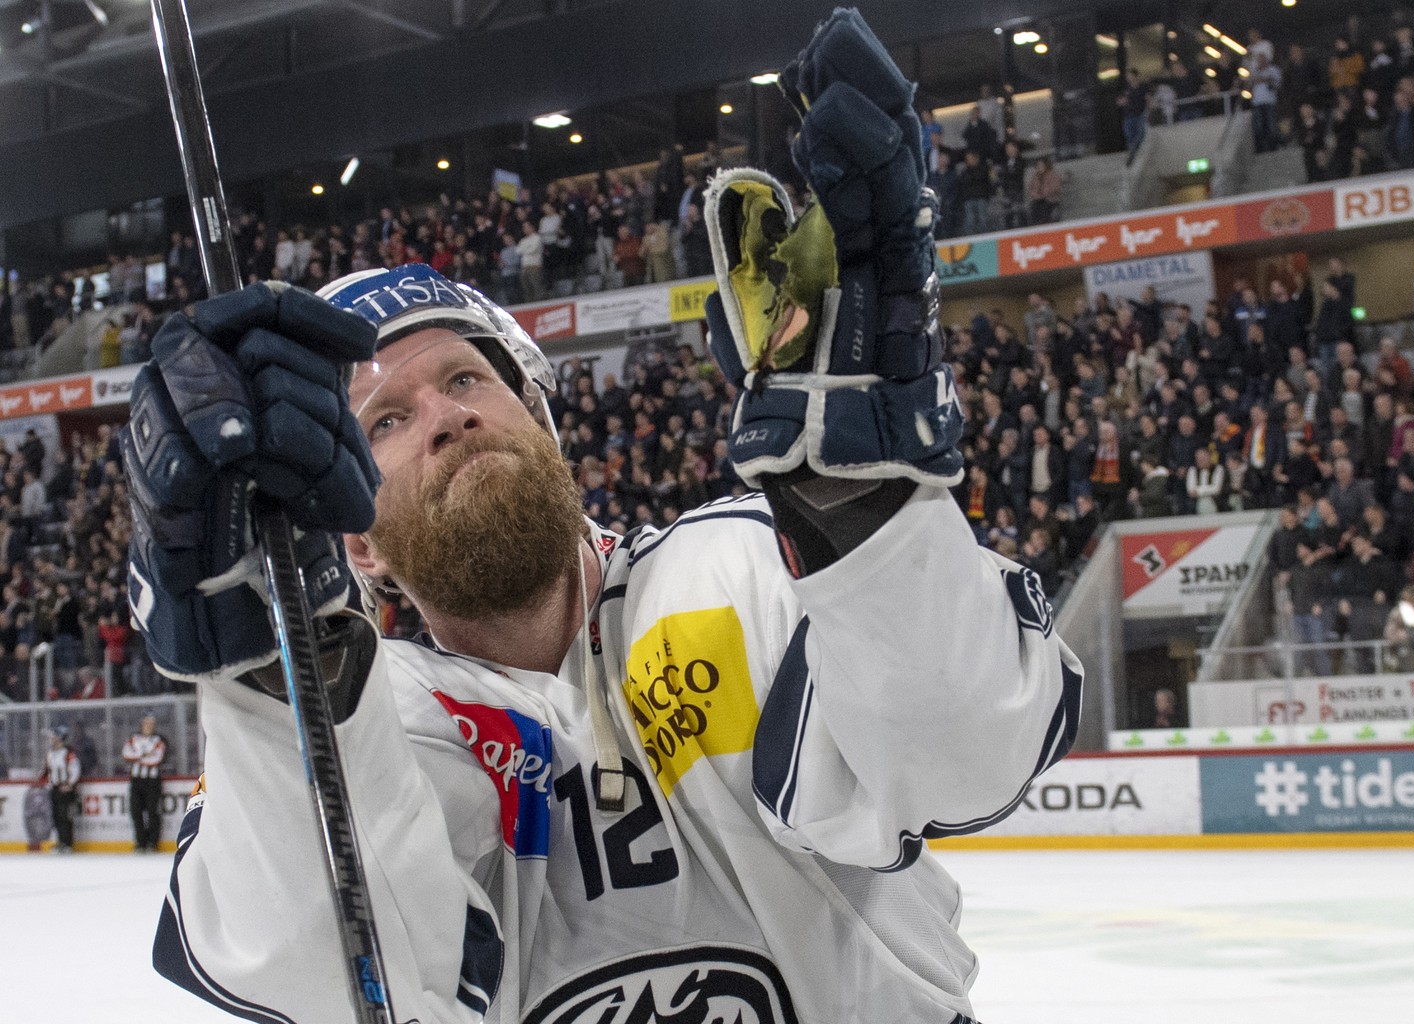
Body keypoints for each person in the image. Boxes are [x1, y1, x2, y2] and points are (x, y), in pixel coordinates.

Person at [126, 13, 1081, 1022]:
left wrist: (867, 514)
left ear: (544, 425)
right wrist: (274, 670)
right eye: (389, 420)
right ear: (351, 537)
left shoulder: (738, 564)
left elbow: (964, 752)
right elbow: (324, 964)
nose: (446, 415)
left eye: (464, 377)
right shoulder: (388, 711)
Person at [122, 714, 166, 854]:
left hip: (152, 781)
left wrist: (138, 756)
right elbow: (126, 755)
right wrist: (144, 755)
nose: (148, 726)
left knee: (153, 812)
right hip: (136, 780)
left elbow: (156, 759)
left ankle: (152, 842)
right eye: (146, 723)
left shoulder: (158, 740)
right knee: (136, 811)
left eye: (151, 723)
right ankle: (140, 842)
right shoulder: (134, 738)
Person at [41, 725, 80, 853]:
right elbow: (47, 771)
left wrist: (70, 784)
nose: (51, 738)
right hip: (55, 789)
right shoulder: (50, 753)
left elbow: (75, 770)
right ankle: (60, 842)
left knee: (65, 817)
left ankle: (67, 843)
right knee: (56, 817)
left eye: (54, 736)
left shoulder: (68, 753)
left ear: (60, 737)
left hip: (65, 789)